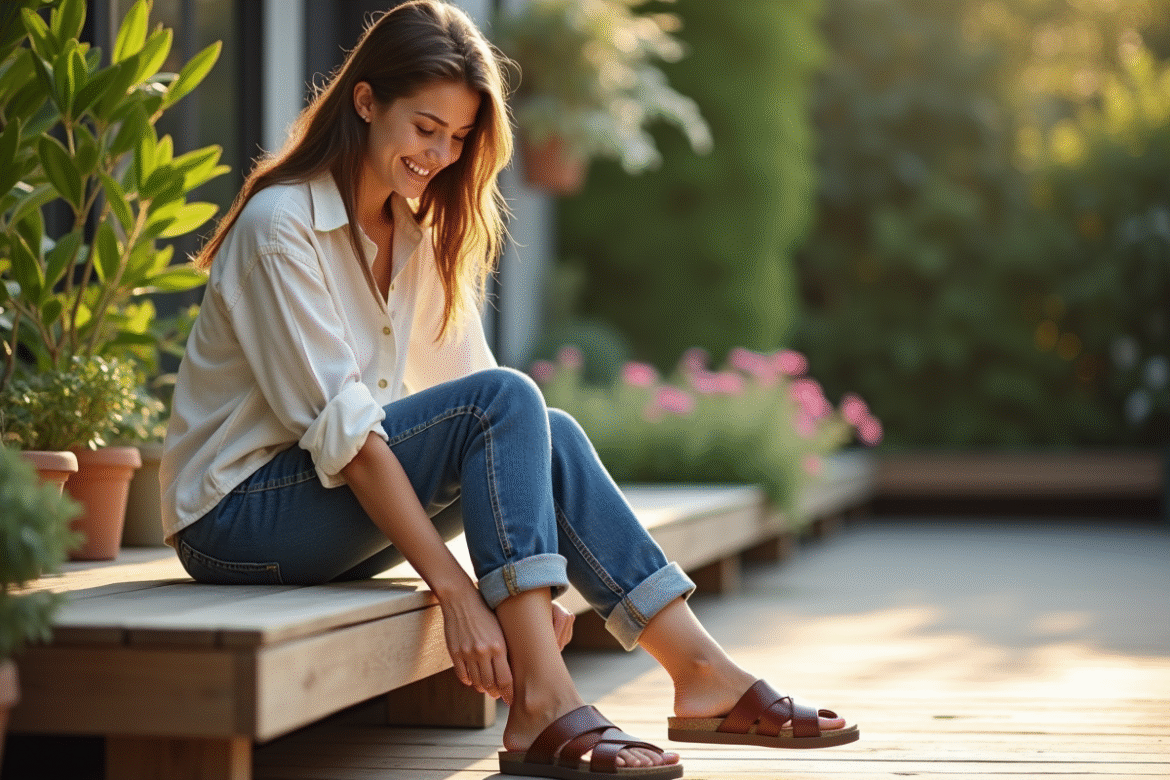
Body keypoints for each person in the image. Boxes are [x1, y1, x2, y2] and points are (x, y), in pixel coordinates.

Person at [160, 2, 857, 777]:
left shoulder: (415, 232)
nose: (441, 155)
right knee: (511, 402)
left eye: (457, 139)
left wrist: (525, 590)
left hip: (332, 511)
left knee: (543, 425)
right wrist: (463, 593)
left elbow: (495, 418)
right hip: (237, 520)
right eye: (426, 128)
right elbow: (353, 441)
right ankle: (543, 701)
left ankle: (701, 674)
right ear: (365, 101)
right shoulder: (280, 225)